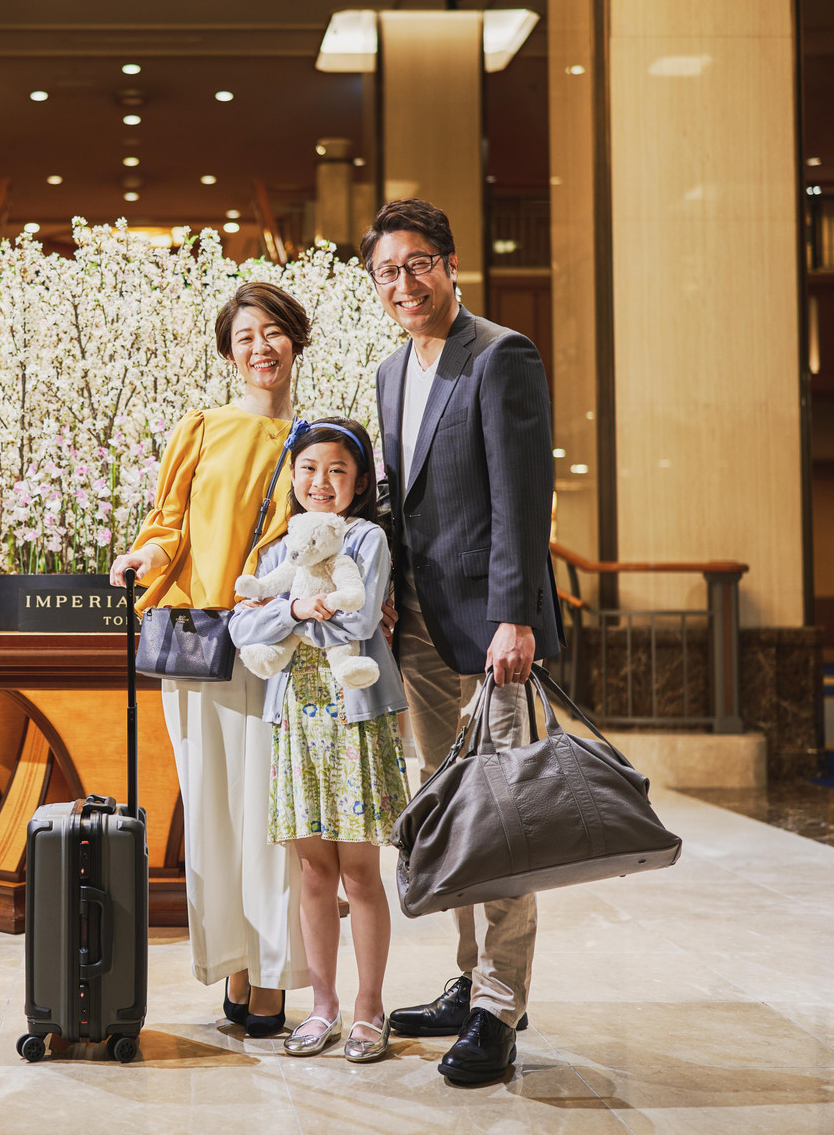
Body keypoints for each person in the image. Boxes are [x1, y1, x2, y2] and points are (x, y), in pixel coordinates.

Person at [366, 198, 559, 1085]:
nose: (404, 284)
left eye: (418, 264)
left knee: (504, 815)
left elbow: (521, 494)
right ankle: (468, 976)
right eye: (387, 272)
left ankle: (498, 1008)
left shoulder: (500, 354)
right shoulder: (390, 370)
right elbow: (401, 500)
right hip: (417, 627)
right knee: (448, 810)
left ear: (450, 265)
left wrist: (516, 615)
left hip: (492, 630)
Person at [108, 281, 312, 1036]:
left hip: (278, 649)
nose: (261, 347)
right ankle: (233, 962)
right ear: (229, 353)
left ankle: (272, 976)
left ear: (296, 341)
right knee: (213, 814)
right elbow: (169, 525)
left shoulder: (318, 440)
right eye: (245, 336)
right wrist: (143, 556)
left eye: (273, 332)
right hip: (198, 641)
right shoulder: (201, 428)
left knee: (272, 818)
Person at [227, 418, 409, 1063]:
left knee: (359, 872)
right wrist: (295, 611)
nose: (321, 481)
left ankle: (369, 1009)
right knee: (313, 872)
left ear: (359, 482)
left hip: (353, 718)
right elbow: (241, 629)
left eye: (337, 469)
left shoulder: (367, 538)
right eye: (308, 468)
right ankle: (323, 1006)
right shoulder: (280, 547)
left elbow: (359, 621)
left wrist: (282, 622)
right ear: (293, 476)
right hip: (296, 720)